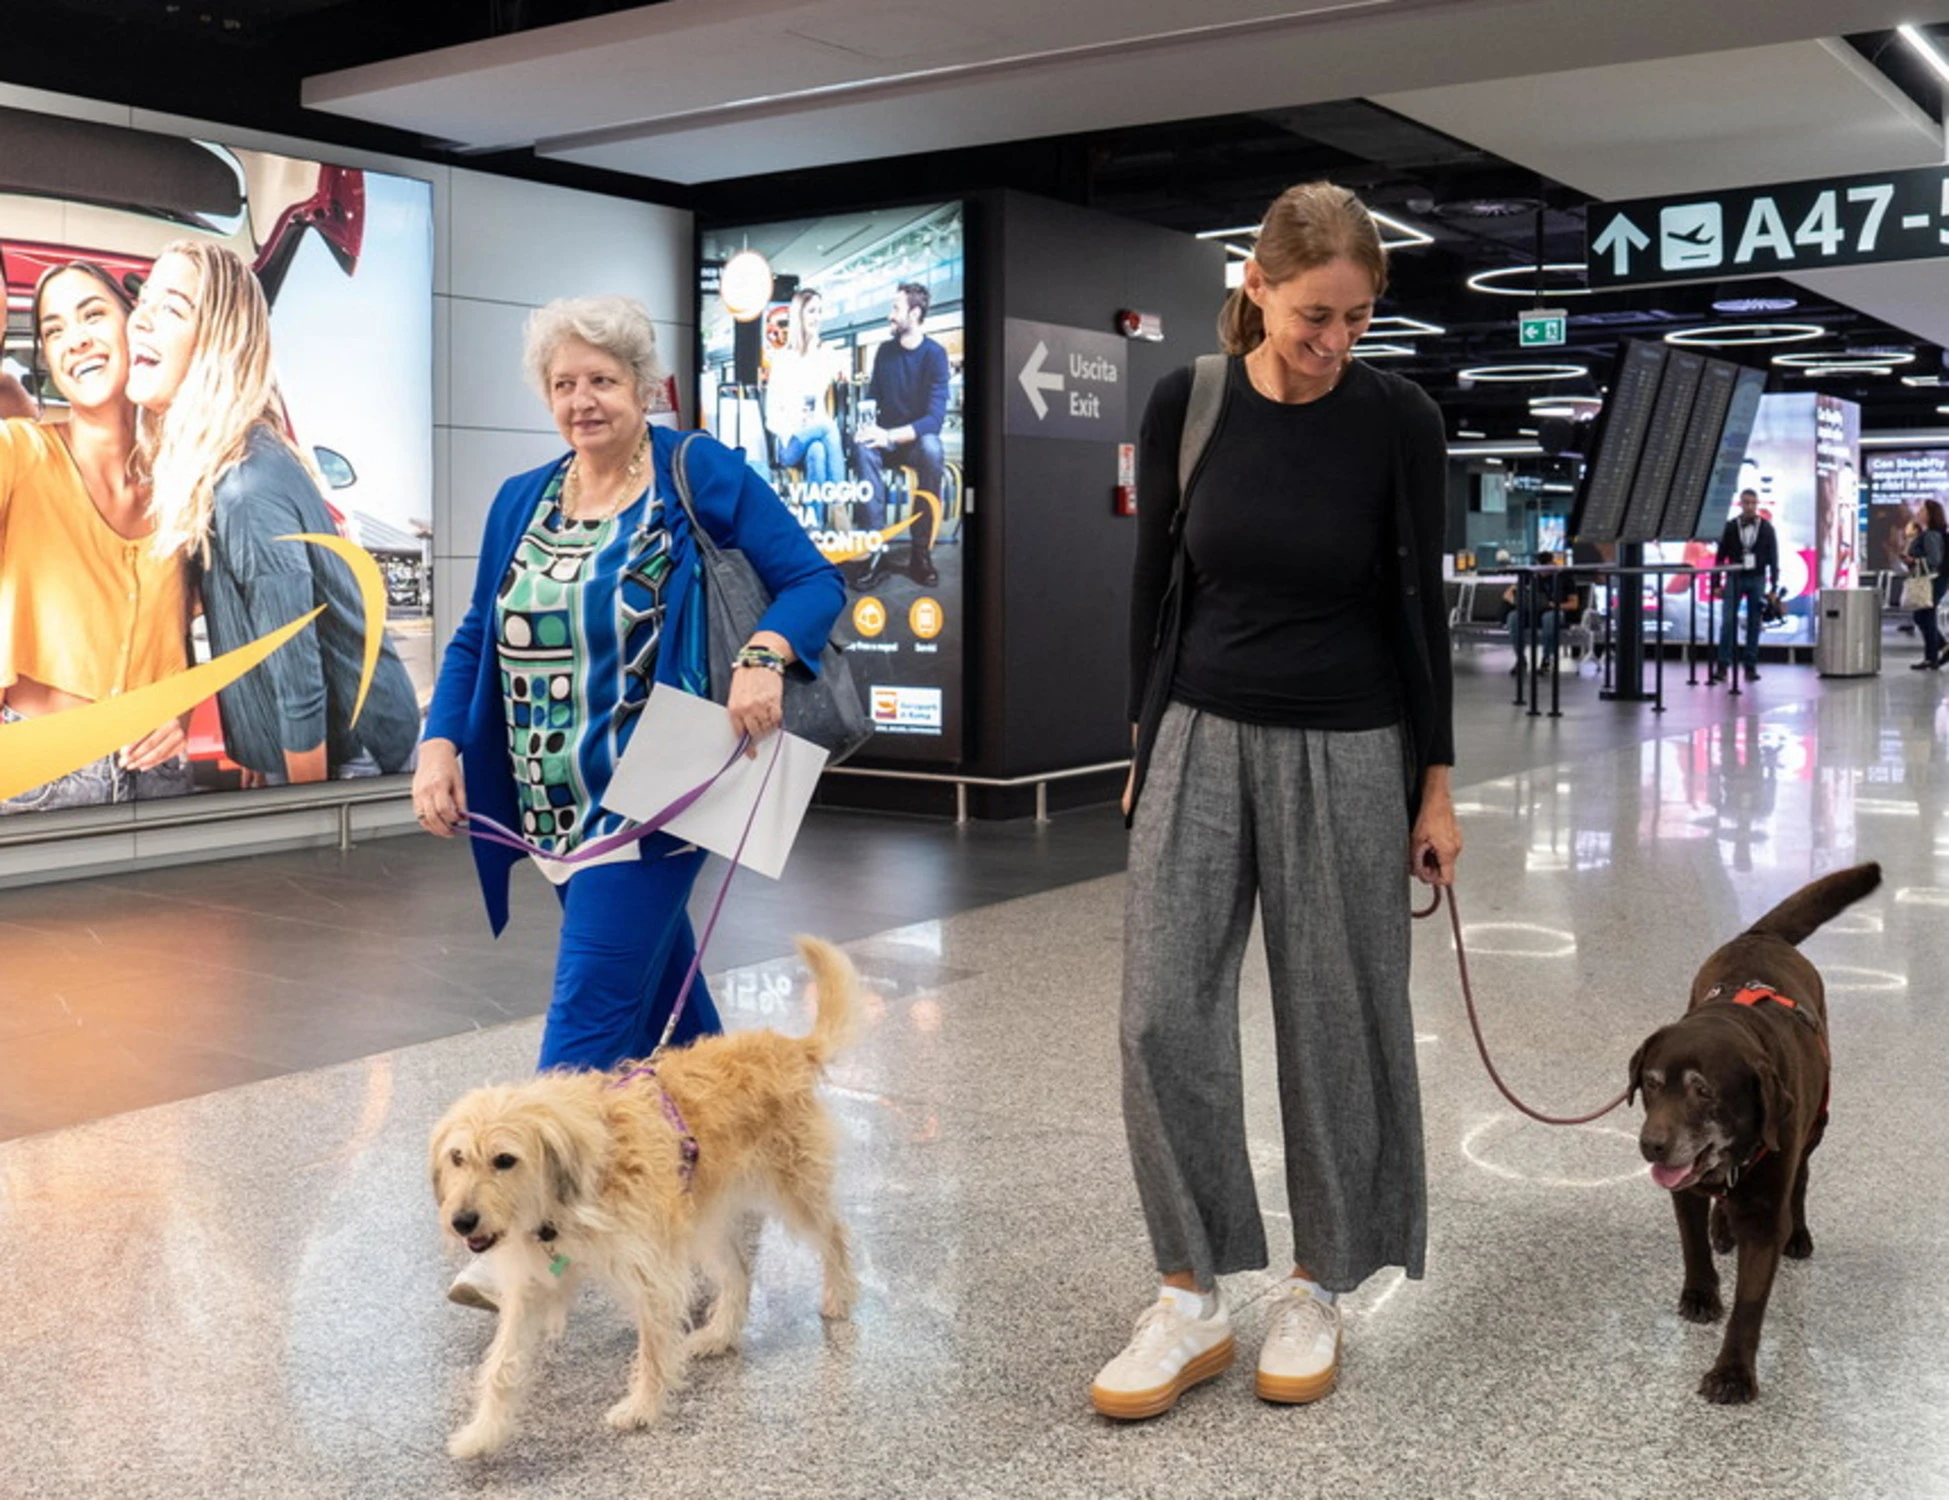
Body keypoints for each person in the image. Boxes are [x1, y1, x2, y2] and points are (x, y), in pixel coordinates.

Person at [1098, 182, 1460, 1422]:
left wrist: (1437, 783)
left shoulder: (1396, 419)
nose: (1334, 342)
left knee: (1336, 1019)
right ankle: (1188, 1291)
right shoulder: (1185, 401)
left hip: (1351, 744)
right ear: (1255, 284)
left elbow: (1421, 612)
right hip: (1197, 729)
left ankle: (1319, 1281)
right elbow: (1152, 584)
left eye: (1357, 320)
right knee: (1158, 1016)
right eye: (1314, 315)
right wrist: (1143, 736)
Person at [414, 292, 843, 1073]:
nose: (582, 401)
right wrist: (438, 742)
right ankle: (726, 1151)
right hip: (548, 800)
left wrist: (763, 655)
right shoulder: (522, 500)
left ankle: (542, 1195)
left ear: (643, 386)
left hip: (659, 790)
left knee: (584, 1029)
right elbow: (478, 632)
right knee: (660, 1008)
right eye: (564, 384)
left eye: (602, 381)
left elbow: (812, 581)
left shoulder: (694, 472)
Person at [129, 239, 420, 785]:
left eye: (171, 307)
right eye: (144, 300)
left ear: (218, 343)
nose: (140, 318)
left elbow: (299, 673)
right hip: (318, 750)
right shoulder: (222, 467)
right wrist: (261, 752)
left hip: (353, 758)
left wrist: (292, 802)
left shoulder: (246, 486)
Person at [0, 261, 193, 813]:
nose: (75, 339)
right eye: (54, 330)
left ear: (136, 326)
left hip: (160, 782)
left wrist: (179, 714)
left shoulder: (182, 484)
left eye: (92, 315)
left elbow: (186, 638)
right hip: (39, 778)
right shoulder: (20, 451)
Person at [852, 281, 950, 589]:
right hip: (885, 438)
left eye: (896, 308)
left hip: (912, 441)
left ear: (915, 312)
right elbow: (873, 398)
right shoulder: (884, 352)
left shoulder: (934, 355)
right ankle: (876, 552)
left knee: (933, 449)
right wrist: (866, 426)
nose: (890, 315)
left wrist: (890, 435)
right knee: (862, 447)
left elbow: (934, 419)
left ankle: (921, 554)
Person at [763, 288, 846, 490]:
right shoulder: (782, 358)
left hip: (816, 437)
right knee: (828, 426)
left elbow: (840, 375)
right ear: (798, 315)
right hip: (789, 443)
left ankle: (814, 521)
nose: (816, 317)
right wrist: (792, 426)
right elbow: (771, 416)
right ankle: (839, 503)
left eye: (819, 311)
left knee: (817, 451)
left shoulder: (825, 353)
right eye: (811, 311)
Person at [1710, 489, 1777, 685]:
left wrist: (1774, 586)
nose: (1749, 506)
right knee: (1728, 622)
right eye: (1746, 502)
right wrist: (1716, 583)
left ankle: (1750, 665)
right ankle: (1722, 665)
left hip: (1757, 578)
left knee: (1755, 622)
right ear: (1740, 504)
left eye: (1752, 503)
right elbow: (1720, 557)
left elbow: (1773, 557)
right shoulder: (1730, 527)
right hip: (1734, 577)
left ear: (1757, 505)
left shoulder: (1766, 528)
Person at [1501, 550, 1580, 674]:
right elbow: (1507, 594)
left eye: (1545, 568)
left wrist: (1554, 605)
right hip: (1533, 612)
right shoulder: (1531, 576)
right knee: (1513, 617)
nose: (1542, 572)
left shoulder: (1565, 578)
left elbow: (1574, 604)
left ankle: (1547, 659)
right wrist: (1517, 601)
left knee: (1548, 618)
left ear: (1552, 563)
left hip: (1554, 612)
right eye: (1540, 568)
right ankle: (1520, 659)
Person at [1903, 499, 1949, 670]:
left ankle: (1932, 656)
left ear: (1930, 514)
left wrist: (1914, 560)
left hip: (1933, 580)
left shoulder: (1931, 535)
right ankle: (1940, 649)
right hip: (1935, 580)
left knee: (1925, 616)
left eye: (1922, 510)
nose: (1919, 512)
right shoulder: (1929, 533)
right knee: (1924, 616)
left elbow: (1934, 559)